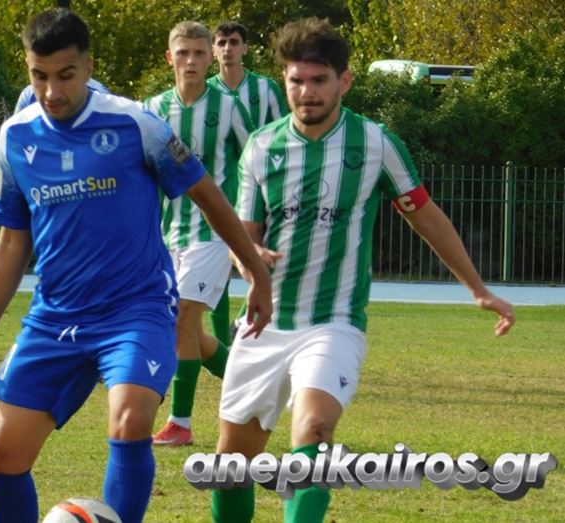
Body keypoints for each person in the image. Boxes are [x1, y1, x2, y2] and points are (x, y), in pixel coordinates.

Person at [0, 9, 271, 523]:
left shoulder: (135, 123)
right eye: (39, 76)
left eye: (65, 74)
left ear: (88, 66)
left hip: (135, 310)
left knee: (131, 419)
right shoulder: (15, 137)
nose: (52, 90)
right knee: (2, 456)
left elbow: (206, 193)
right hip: (55, 317)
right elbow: (13, 241)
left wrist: (255, 270)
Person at [211, 18, 516, 523]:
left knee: (313, 432)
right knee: (231, 465)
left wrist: (478, 289)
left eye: (319, 80)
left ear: (344, 81)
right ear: (284, 80)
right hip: (265, 323)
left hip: (334, 323)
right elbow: (242, 236)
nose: (307, 92)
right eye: (296, 80)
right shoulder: (262, 147)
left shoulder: (374, 143)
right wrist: (249, 256)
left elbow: (425, 216)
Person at [146, 21, 256, 447]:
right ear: (169, 57)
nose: (190, 60)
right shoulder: (153, 109)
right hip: (167, 234)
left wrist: (251, 225)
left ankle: (180, 422)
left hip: (214, 233)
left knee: (184, 316)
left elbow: (256, 161)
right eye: (183, 52)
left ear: (210, 57)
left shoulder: (228, 107)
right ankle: (251, 387)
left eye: (198, 53)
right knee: (186, 331)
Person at [207, 20, 290, 346]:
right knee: (218, 268)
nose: (227, 48)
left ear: (245, 48)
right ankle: (225, 343)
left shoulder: (266, 89)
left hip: (263, 190)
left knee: (264, 259)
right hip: (217, 192)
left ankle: (244, 320)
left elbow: (283, 135)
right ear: (213, 50)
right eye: (221, 42)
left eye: (233, 41)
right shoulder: (206, 92)